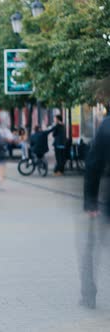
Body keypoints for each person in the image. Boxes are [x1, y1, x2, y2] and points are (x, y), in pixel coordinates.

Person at [80, 116, 110, 309]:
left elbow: (93, 164)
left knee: (90, 246)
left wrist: (90, 202)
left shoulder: (107, 125)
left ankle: (89, 295)